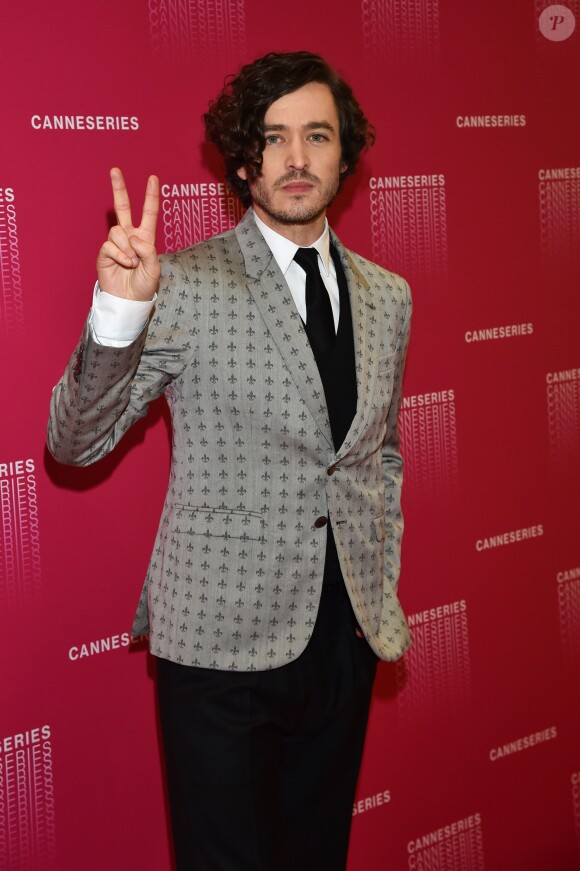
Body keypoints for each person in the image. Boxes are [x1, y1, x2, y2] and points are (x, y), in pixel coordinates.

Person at [48, 51, 412, 871]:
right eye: (274, 138)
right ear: (243, 159)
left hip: (345, 638)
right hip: (218, 649)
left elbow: (377, 456)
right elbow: (74, 443)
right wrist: (119, 311)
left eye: (316, 136)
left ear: (344, 154)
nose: (295, 158)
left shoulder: (389, 295)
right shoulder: (184, 282)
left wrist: (376, 581)